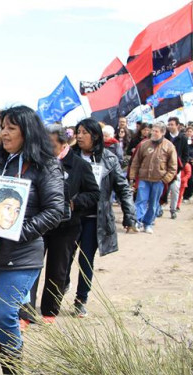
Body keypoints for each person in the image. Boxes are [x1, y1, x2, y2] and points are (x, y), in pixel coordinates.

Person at [0, 105, 65, 375]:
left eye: (11, 128)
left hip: (21, 255)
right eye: (3, 127)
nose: (4, 133)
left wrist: (18, 232)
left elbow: (56, 211)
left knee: (3, 315)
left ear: (28, 131)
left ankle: (13, 371)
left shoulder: (46, 165)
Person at [19, 124, 99, 326]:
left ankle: (49, 312)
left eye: (51, 144)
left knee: (58, 269)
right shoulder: (36, 163)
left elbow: (94, 193)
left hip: (66, 227)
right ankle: (26, 312)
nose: (45, 148)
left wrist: (74, 202)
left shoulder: (80, 165)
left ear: (64, 143)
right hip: (38, 224)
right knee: (30, 267)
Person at [69, 118, 136, 318]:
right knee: (63, 259)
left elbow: (123, 189)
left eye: (84, 133)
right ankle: (60, 287)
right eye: (77, 132)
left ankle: (81, 299)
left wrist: (129, 215)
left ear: (95, 136)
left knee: (85, 261)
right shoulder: (70, 157)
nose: (79, 136)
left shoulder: (109, 159)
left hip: (94, 219)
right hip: (70, 218)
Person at [129, 121, 177, 234]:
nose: (153, 133)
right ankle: (137, 222)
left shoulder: (169, 146)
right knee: (140, 200)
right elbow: (135, 162)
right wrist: (132, 176)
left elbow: (173, 167)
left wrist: (165, 179)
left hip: (158, 181)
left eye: (156, 131)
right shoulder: (144, 144)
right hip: (144, 179)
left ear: (162, 133)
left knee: (153, 203)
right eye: (153, 130)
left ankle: (148, 223)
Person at [162, 117, 188, 219]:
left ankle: (173, 209)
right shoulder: (164, 137)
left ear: (177, 125)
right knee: (163, 188)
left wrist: (181, 165)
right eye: (169, 124)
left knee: (175, 189)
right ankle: (159, 207)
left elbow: (186, 154)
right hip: (163, 167)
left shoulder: (183, 138)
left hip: (176, 168)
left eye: (172, 124)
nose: (170, 126)